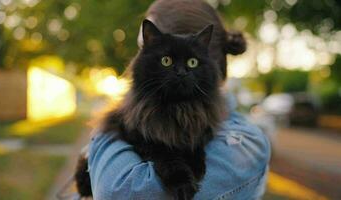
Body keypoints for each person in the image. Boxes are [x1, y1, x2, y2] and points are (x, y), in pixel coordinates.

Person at [87, 0, 271, 199]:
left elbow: (117, 192)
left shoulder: (245, 142)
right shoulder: (135, 115)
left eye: (141, 44)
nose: (136, 55)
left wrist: (99, 141)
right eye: (166, 60)